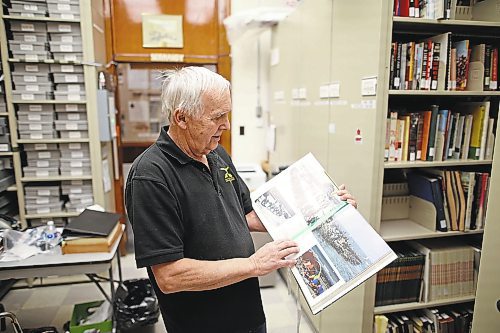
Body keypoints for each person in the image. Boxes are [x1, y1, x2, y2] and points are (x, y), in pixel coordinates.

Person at [125, 66, 357, 333]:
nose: (226, 125)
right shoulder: (150, 176)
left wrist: (325, 207)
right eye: (217, 117)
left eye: (227, 114)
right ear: (182, 118)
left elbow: (247, 215)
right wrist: (254, 264)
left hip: (248, 313)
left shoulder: (216, 154)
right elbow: (169, 276)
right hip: (202, 324)